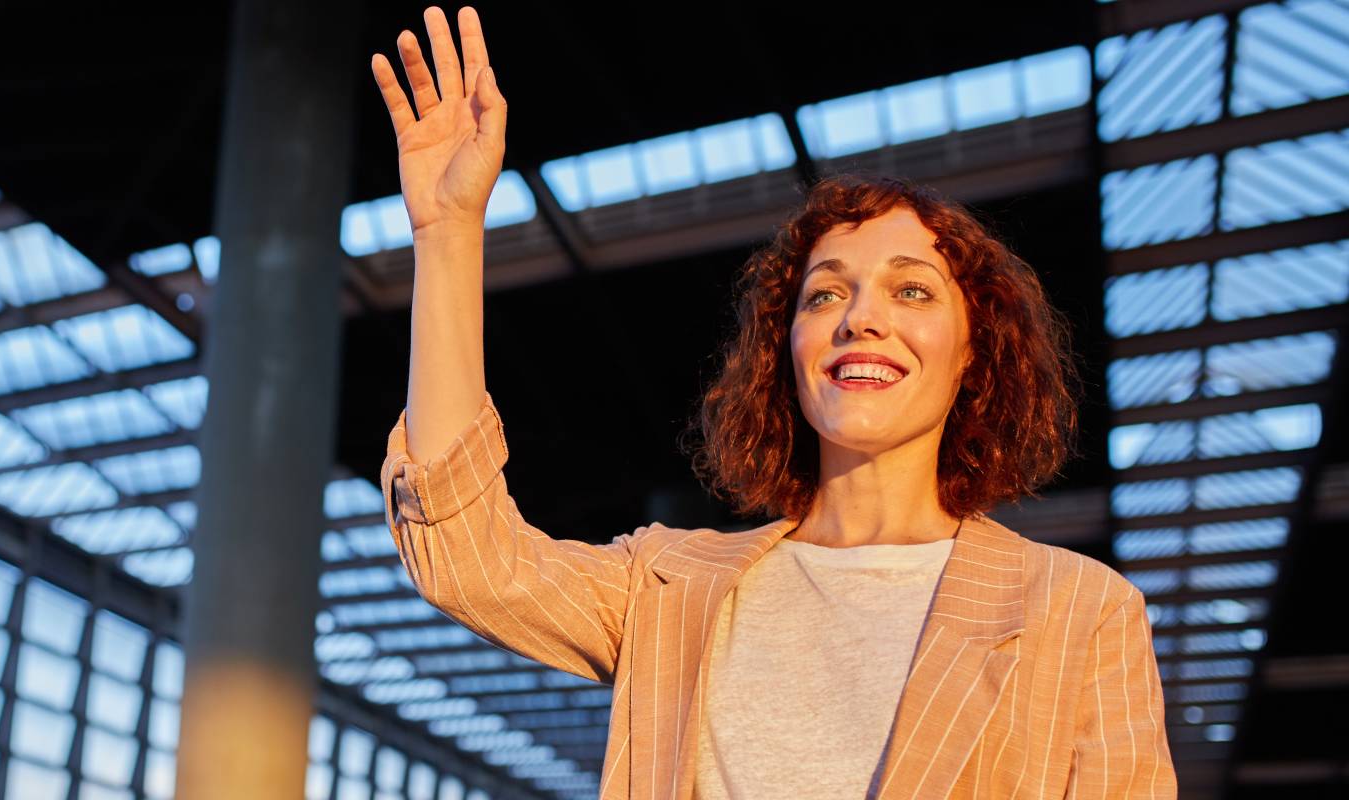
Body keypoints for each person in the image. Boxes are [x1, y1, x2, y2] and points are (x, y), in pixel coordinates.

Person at [369, 6, 1178, 798]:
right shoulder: (667, 585)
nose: (861, 317)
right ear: (785, 353)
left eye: (911, 290)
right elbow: (470, 560)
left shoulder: (1080, 611)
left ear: (975, 353)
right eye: (825, 295)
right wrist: (447, 233)